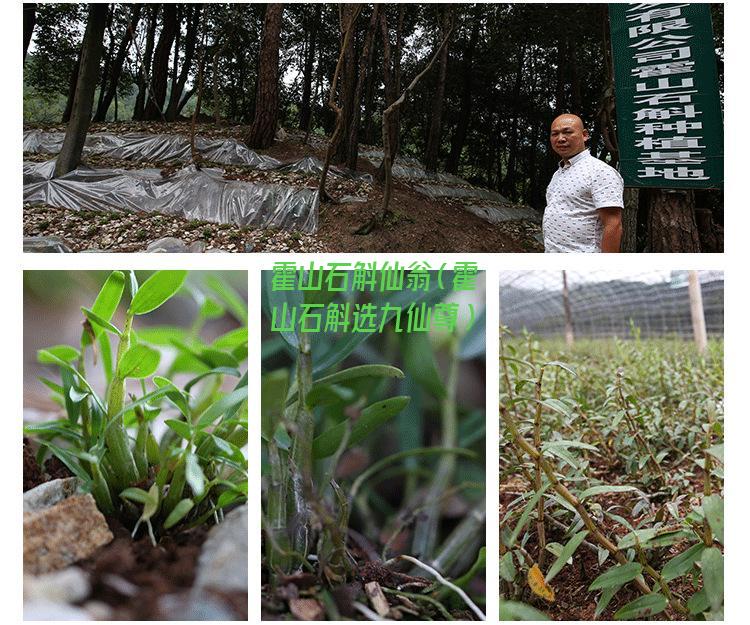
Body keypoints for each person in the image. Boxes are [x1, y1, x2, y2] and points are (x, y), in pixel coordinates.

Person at [542, 114, 623, 253]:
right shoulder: (559, 173)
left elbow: (613, 225)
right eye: (555, 134)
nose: (560, 138)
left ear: (584, 135)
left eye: (567, 132)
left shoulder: (600, 171)